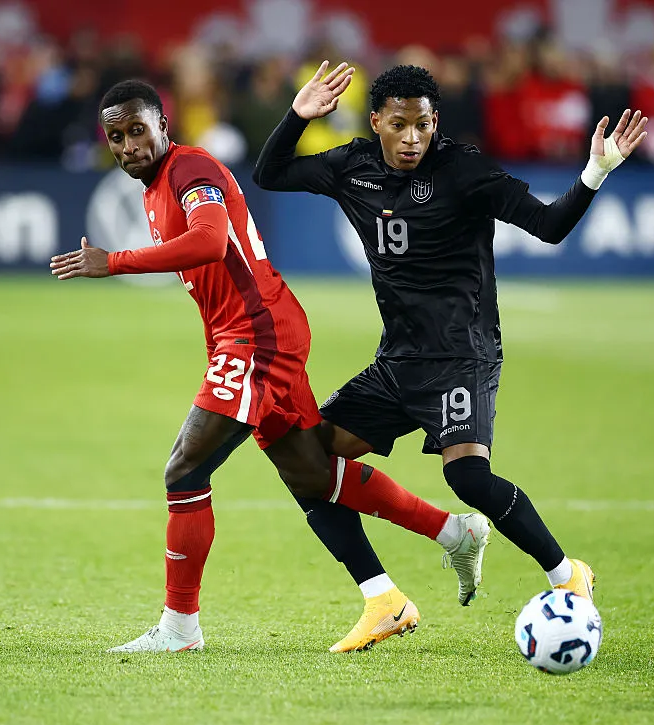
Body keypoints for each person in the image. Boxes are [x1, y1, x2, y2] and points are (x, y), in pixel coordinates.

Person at [48, 79, 491, 654]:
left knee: (184, 471)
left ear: (164, 124)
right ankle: (448, 536)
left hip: (258, 338)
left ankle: (180, 627)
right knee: (311, 473)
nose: (130, 145)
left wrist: (116, 262)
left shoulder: (191, 170)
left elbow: (210, 241)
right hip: (253, 334)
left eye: (139, 130)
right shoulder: (156, 186)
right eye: (117, 137)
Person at [254, 62, 649, 606]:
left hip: (463, 353)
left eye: (422, 124)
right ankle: (385, 598)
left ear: (435, 121)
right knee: (308, 462)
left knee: (466, 477)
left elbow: (549, 226)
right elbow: (268, 174)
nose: (412, 138)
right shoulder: (353, 166)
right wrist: (297, 116)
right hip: (398, 360)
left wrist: (594, 173)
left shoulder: (465, 172)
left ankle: (566, 573)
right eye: (398, 125)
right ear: (376, 122)